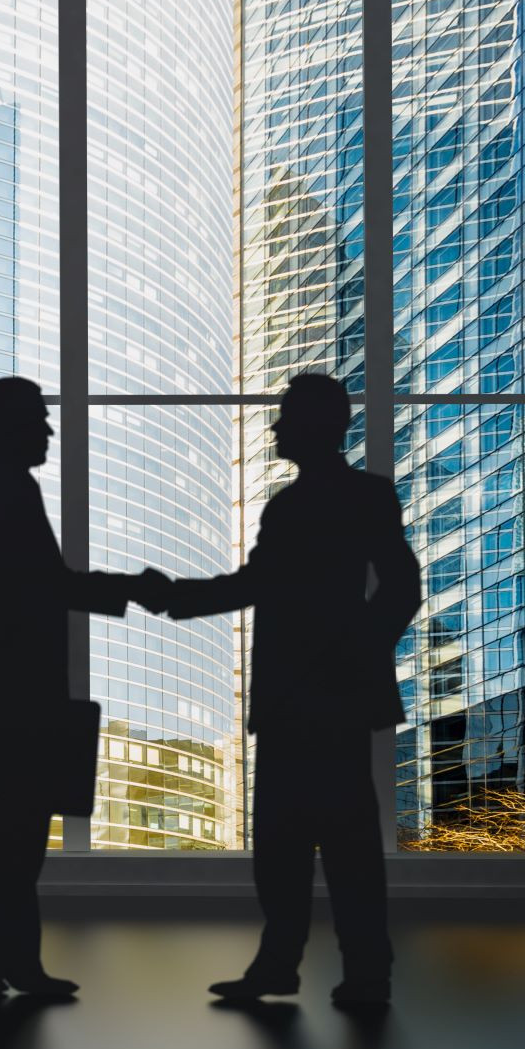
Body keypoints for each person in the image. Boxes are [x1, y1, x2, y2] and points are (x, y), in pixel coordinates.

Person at [141, 373, 422, 1012]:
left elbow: (401, 586)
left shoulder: (358, 498)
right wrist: (175, 597)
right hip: (300, 700)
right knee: (284, 844)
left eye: (285, 417)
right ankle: (296, 965)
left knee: (338, 843)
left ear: (317, 425)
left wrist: (356, 649)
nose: (274, 428)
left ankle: (357, 972)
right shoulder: (288, 507)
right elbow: (257, 584)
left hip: (328, 698)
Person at [0, 375, 140, 1003]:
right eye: (40, 419)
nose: (50, 430)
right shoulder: (3, 491)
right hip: (9, 697)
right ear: (9, 426)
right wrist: (132, 588)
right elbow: (43, 586)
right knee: (11, 834)